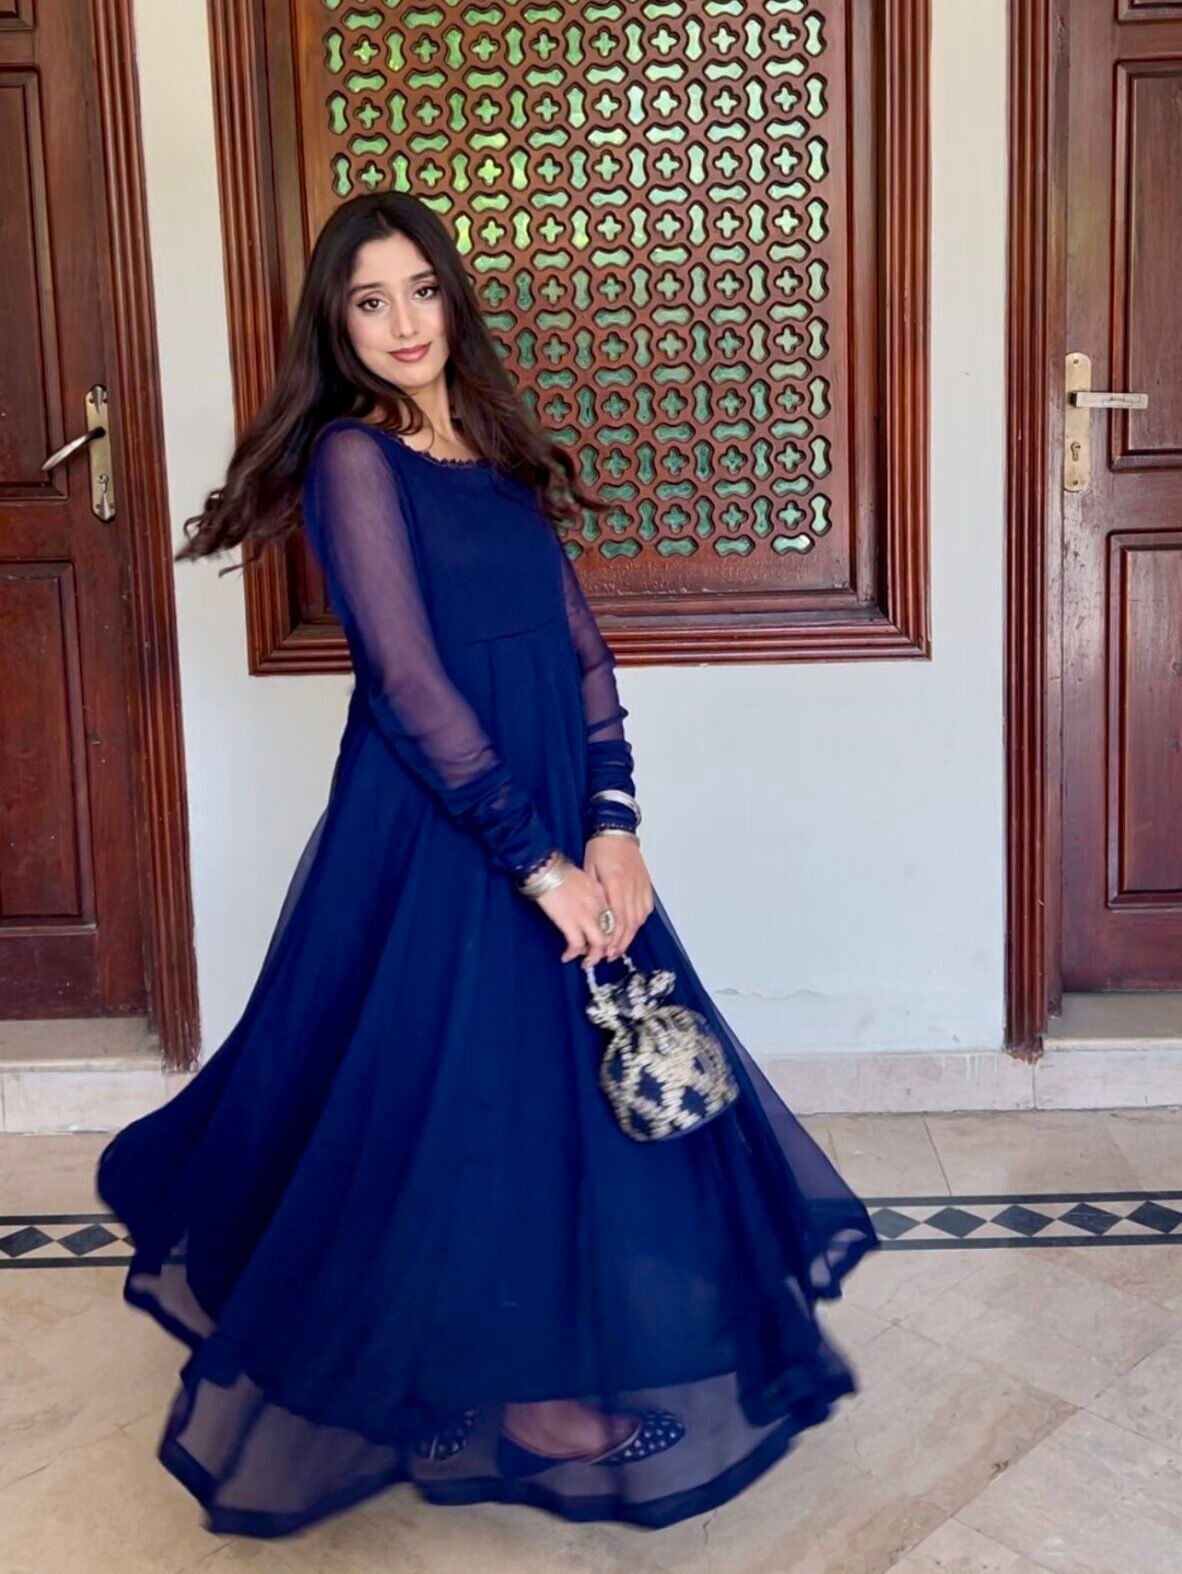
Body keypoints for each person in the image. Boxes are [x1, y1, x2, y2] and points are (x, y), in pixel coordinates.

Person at [96, 190, 879, 1540]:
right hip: (443, 828)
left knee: (567, 1094)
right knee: (458, 1099)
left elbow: (580, 651)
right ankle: (519, 1395)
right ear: (338, 328)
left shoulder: (496, 449)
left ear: (452, 298)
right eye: (370, 301)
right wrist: (538, 864)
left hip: (558, 817)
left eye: (421, 290)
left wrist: (614, 823)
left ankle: (525, 1361)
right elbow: (407, 684)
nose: (404, 322)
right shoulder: (354, 460)